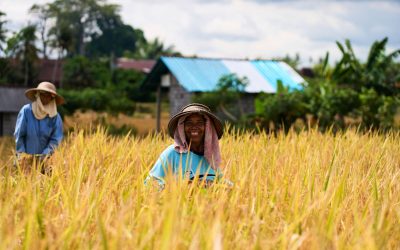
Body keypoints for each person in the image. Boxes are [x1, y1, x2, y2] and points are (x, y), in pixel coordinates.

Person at [145, 103, 228, 189]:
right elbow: (149, 183)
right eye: (189, 123)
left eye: (200, 123)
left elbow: (224, 185)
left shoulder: (211, 157)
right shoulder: (172, 153)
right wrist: (181, 188)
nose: (194, 127)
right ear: (182, 128)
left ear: (207, 128)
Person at [14, 81, 64, 172]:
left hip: (46, 160)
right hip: (25, 160)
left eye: (49, 95)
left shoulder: (55, 117)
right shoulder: (26, 111)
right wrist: (22, 155)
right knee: (25, 184)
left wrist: (45, 154)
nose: (46, 98)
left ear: (52, 98)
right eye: (43, 94)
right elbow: (19, 135)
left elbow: (56, 139)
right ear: (37, 95)